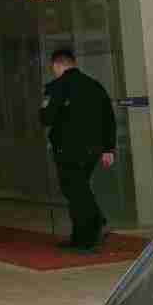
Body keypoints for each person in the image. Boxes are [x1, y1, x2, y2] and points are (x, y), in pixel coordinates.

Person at [40, 47, 116, 252]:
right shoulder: (95, 86)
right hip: (93, 149)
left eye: (53, 67)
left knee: (74, 191)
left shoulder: (57, 87)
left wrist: (44, 109)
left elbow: (47, 118)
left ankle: (96, 224)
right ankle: (81, 237)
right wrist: (109, 148)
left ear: (57, 65)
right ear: (73, 63)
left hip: (67, 149)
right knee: (79, 189)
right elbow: (108, 118)